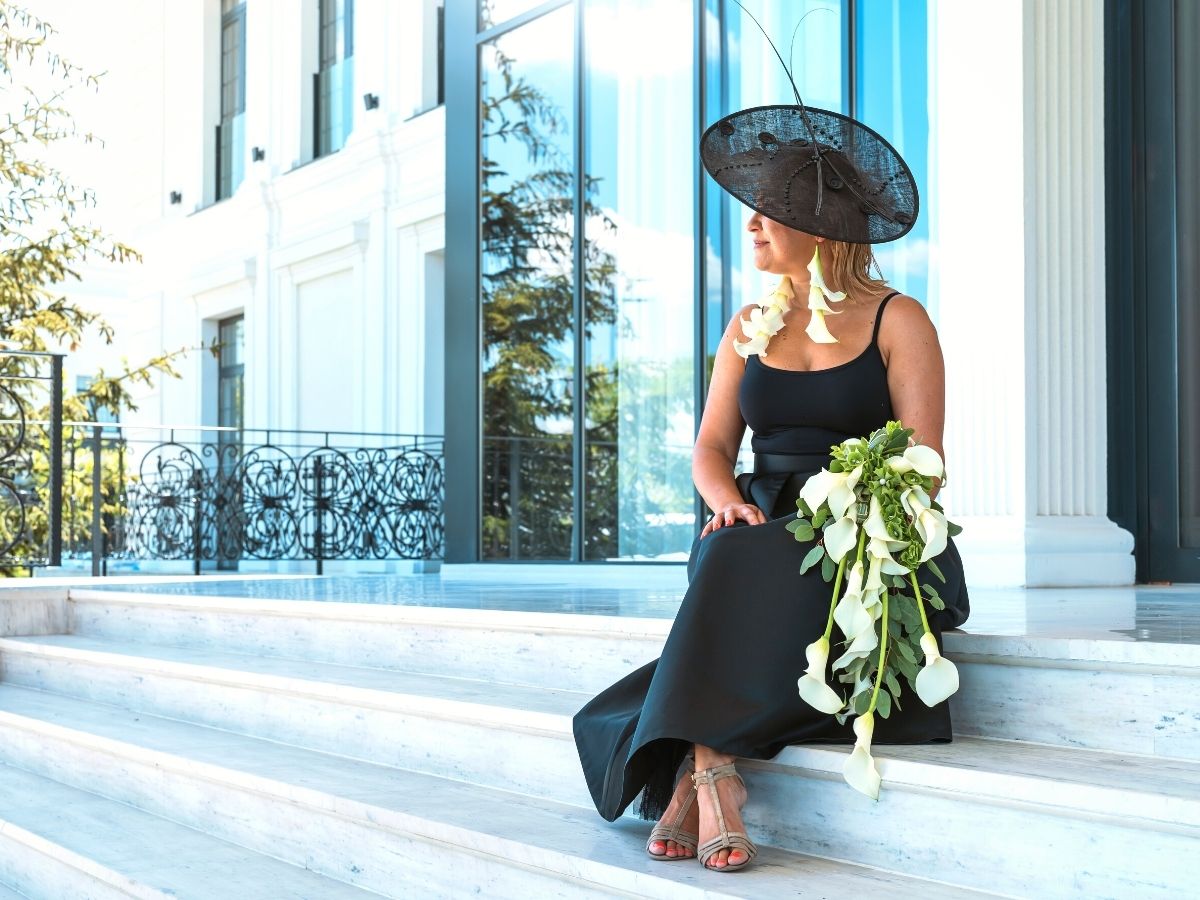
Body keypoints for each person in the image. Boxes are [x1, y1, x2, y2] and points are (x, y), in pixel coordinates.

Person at [571, 75, 972, 873]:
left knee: (746, 564)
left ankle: (702, 774)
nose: (750, 223)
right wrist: (725, 502)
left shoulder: (901, 318)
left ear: (822, 223)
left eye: (769, 207)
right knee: (733, 546)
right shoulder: (749, 324)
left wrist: (862, 522)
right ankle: (715, 776)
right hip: (755, 520)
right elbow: (712, 449)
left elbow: (924, 464)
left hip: (869, 536)